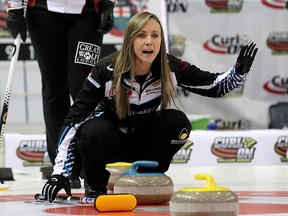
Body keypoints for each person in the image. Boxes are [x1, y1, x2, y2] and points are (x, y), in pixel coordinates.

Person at [40, 11, 258, 202]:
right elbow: (74, 121)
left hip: (142, 141)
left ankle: (148, 173)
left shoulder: (170, 66)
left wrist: (238, 73)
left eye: (155, 35)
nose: (149, 42)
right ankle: (94, 184)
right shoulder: (105, 70)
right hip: (108, 141)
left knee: (178, 123)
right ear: (129, 41)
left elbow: (213, 85)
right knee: (92, 131)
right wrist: (60, 172)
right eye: (142, 36)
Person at [6, 0, 115, 187]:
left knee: (86, 89)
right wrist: (15, 8)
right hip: (42, 12)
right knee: (54, 88)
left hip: (88, 13)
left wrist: (108, 3)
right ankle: (63, 167)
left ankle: (91, 163)